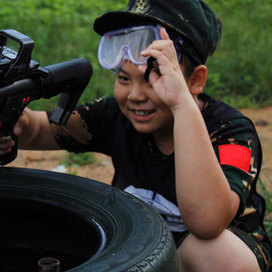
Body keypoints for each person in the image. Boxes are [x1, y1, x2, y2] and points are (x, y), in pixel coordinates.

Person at [0, 0, 271, 271]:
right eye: (123, 78)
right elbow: (41, 129)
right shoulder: (117, 115)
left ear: (195, 80)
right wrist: (12, 120)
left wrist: (181, 105)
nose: (136, 96)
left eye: (155, 80)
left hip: (199, 258)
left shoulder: (231, 131)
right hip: (136, 252)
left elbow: (207, 220)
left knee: (216, 253)